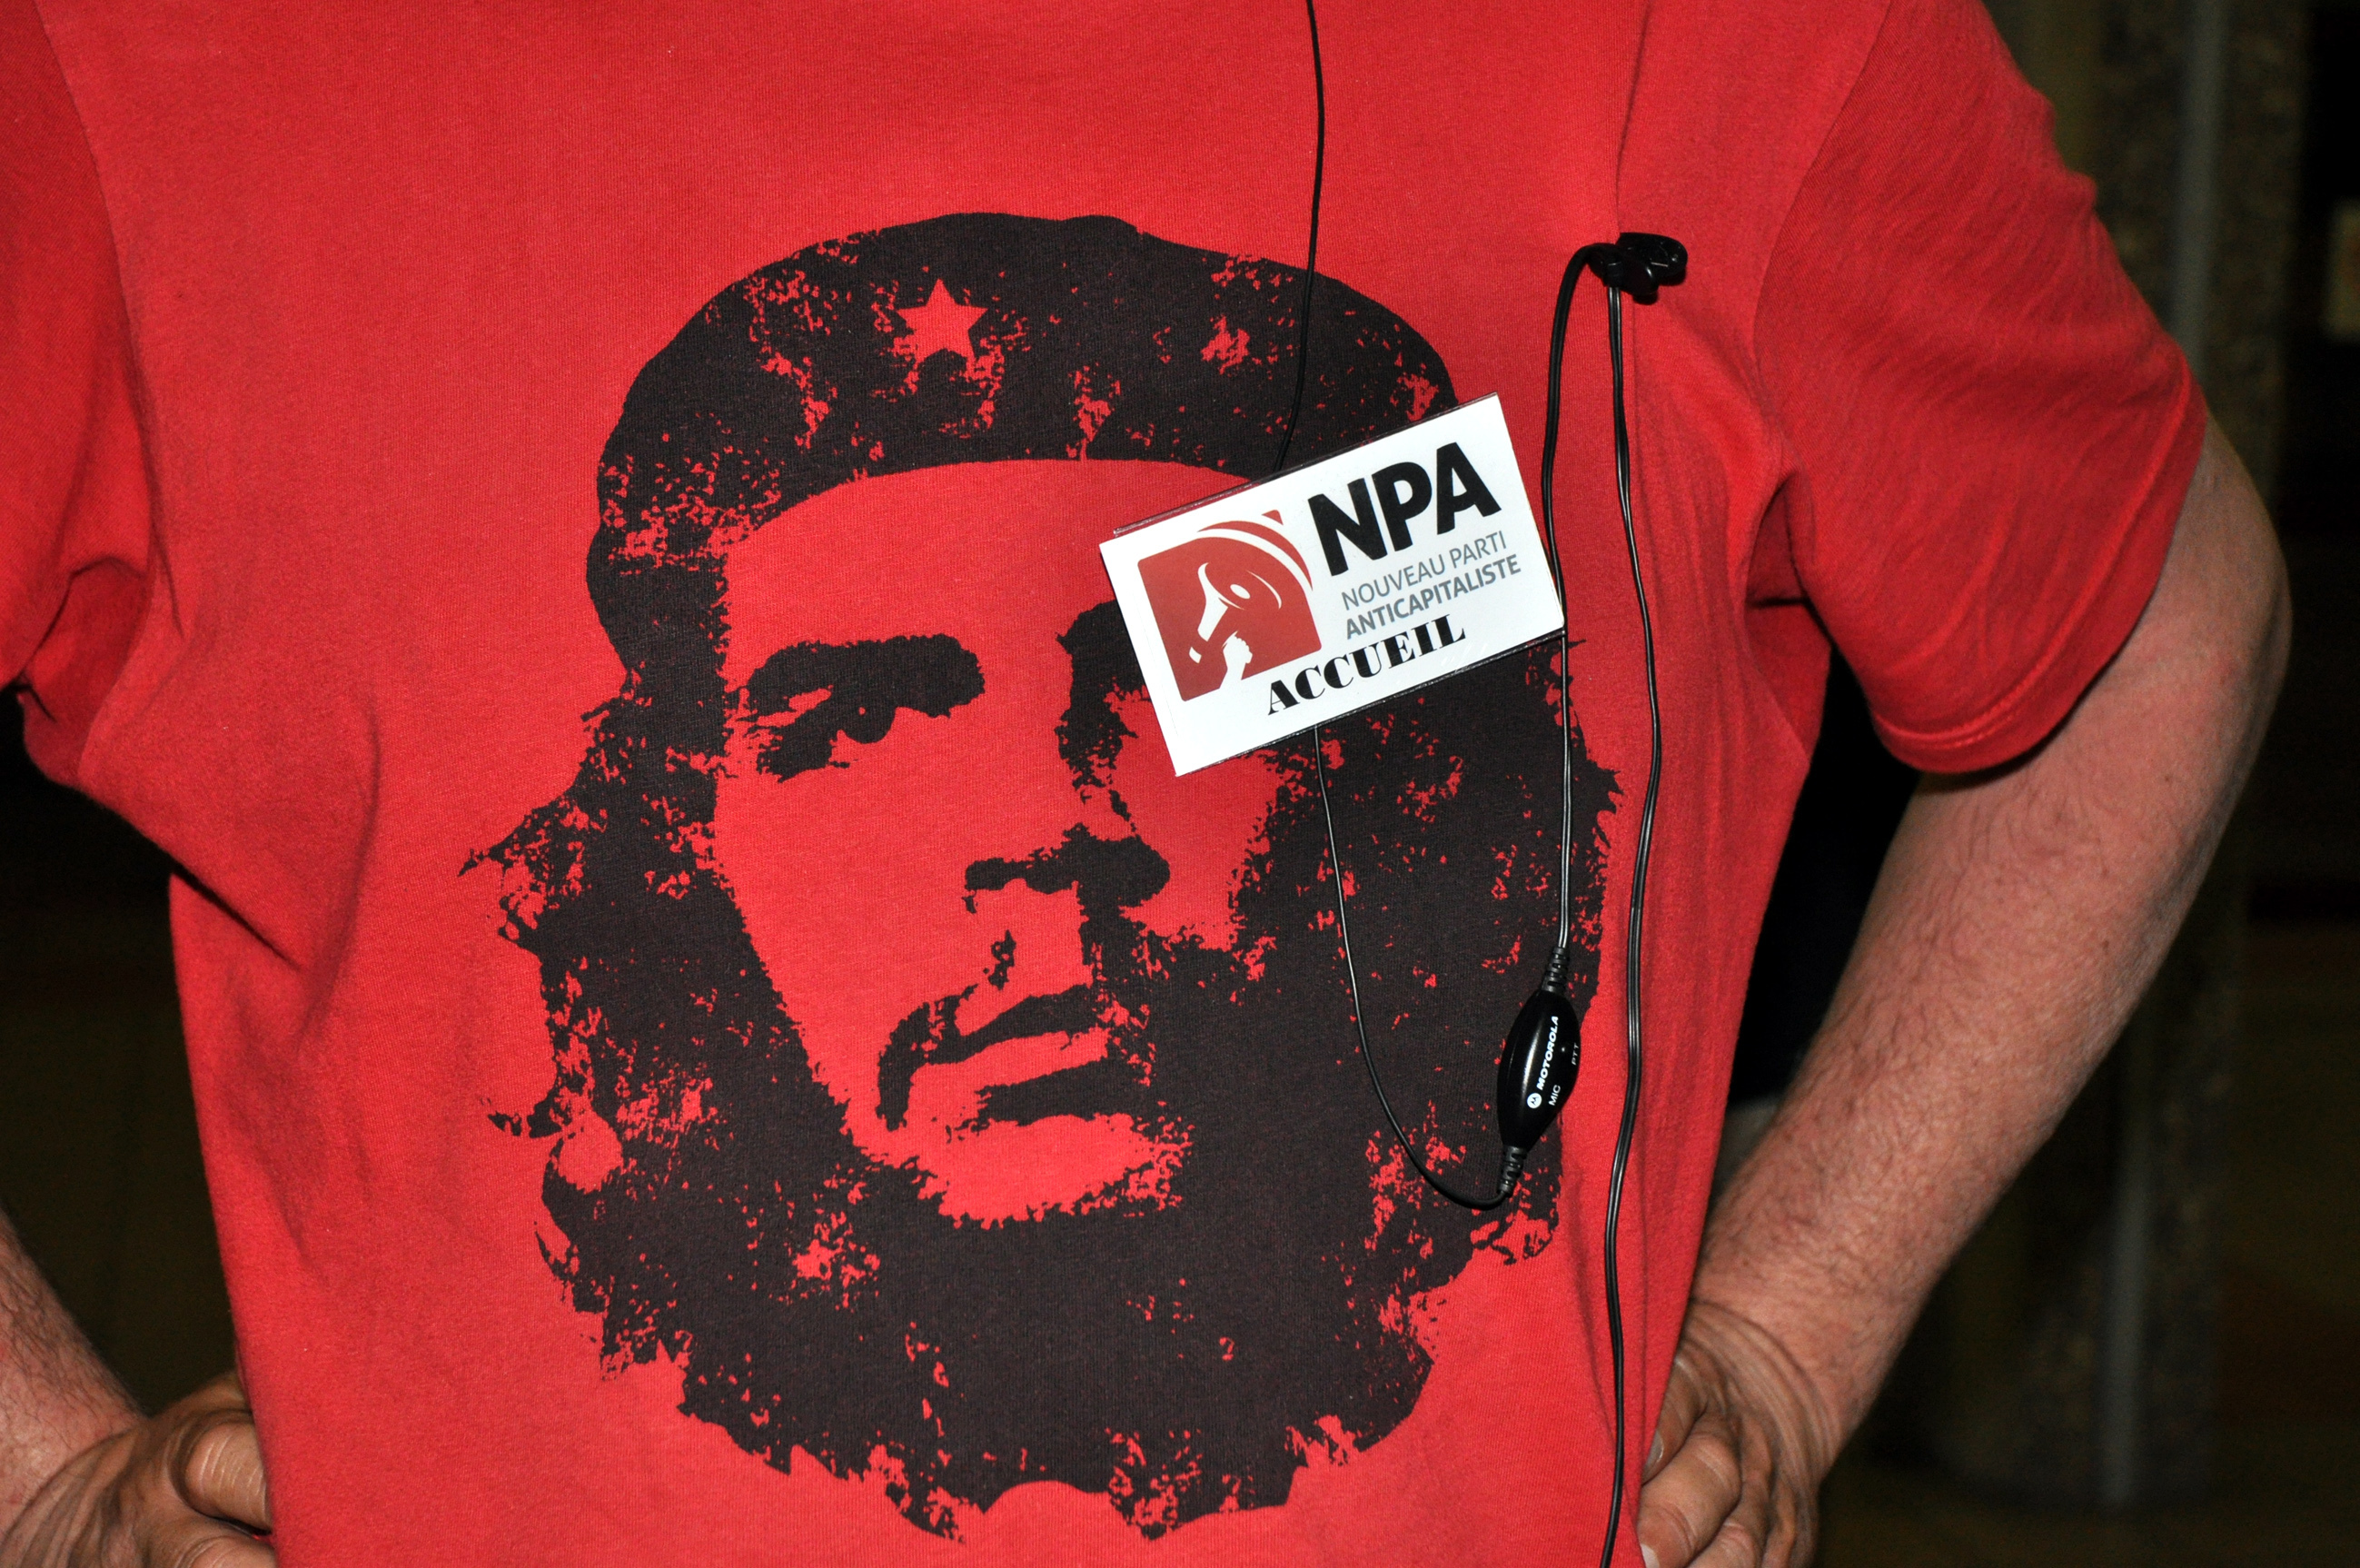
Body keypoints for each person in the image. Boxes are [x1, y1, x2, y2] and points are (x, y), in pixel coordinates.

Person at [0, 2, 2286, 1566]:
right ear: (667, 844)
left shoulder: (1710, 36)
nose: (1042, 830)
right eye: (853, 720)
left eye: (1134, 691)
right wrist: (41, 1468)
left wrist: (1790, 1320)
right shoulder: (163, 65)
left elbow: (2153, 623)